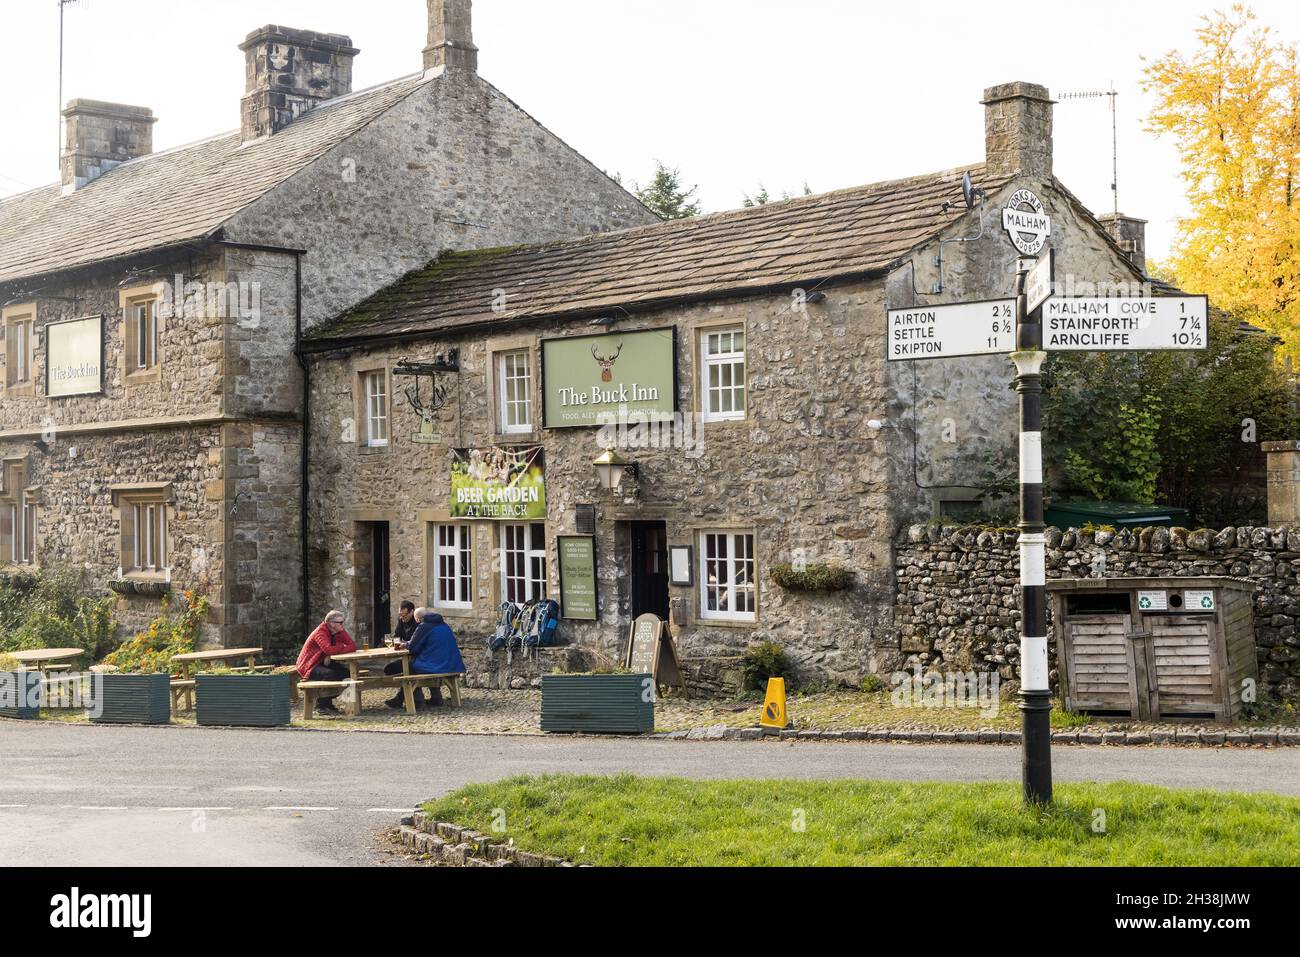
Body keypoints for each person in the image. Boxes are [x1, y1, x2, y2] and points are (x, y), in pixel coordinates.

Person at [385, 607, 466, 710]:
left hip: (436, 665)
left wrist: (404, 644)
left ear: (418, 619)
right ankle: (436, 698)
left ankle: (418, 702)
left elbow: (413, 647)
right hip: (451, 664)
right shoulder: (444, 625)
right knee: (424, 663)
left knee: (409, 668)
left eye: (417, 620)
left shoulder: (424, 626)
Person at [296, 610, 356, 716]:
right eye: (340, 622)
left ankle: (331, 702)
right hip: (309, 665)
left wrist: (333, 650)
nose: (343, 625)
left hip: (323, 662)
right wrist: (342, 646)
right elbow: (328, 650)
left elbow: (352, 645)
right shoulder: (320, 632)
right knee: (330, 674)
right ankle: (321, 705)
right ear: (331, 623)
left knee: (346, 673)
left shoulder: (338, 631)